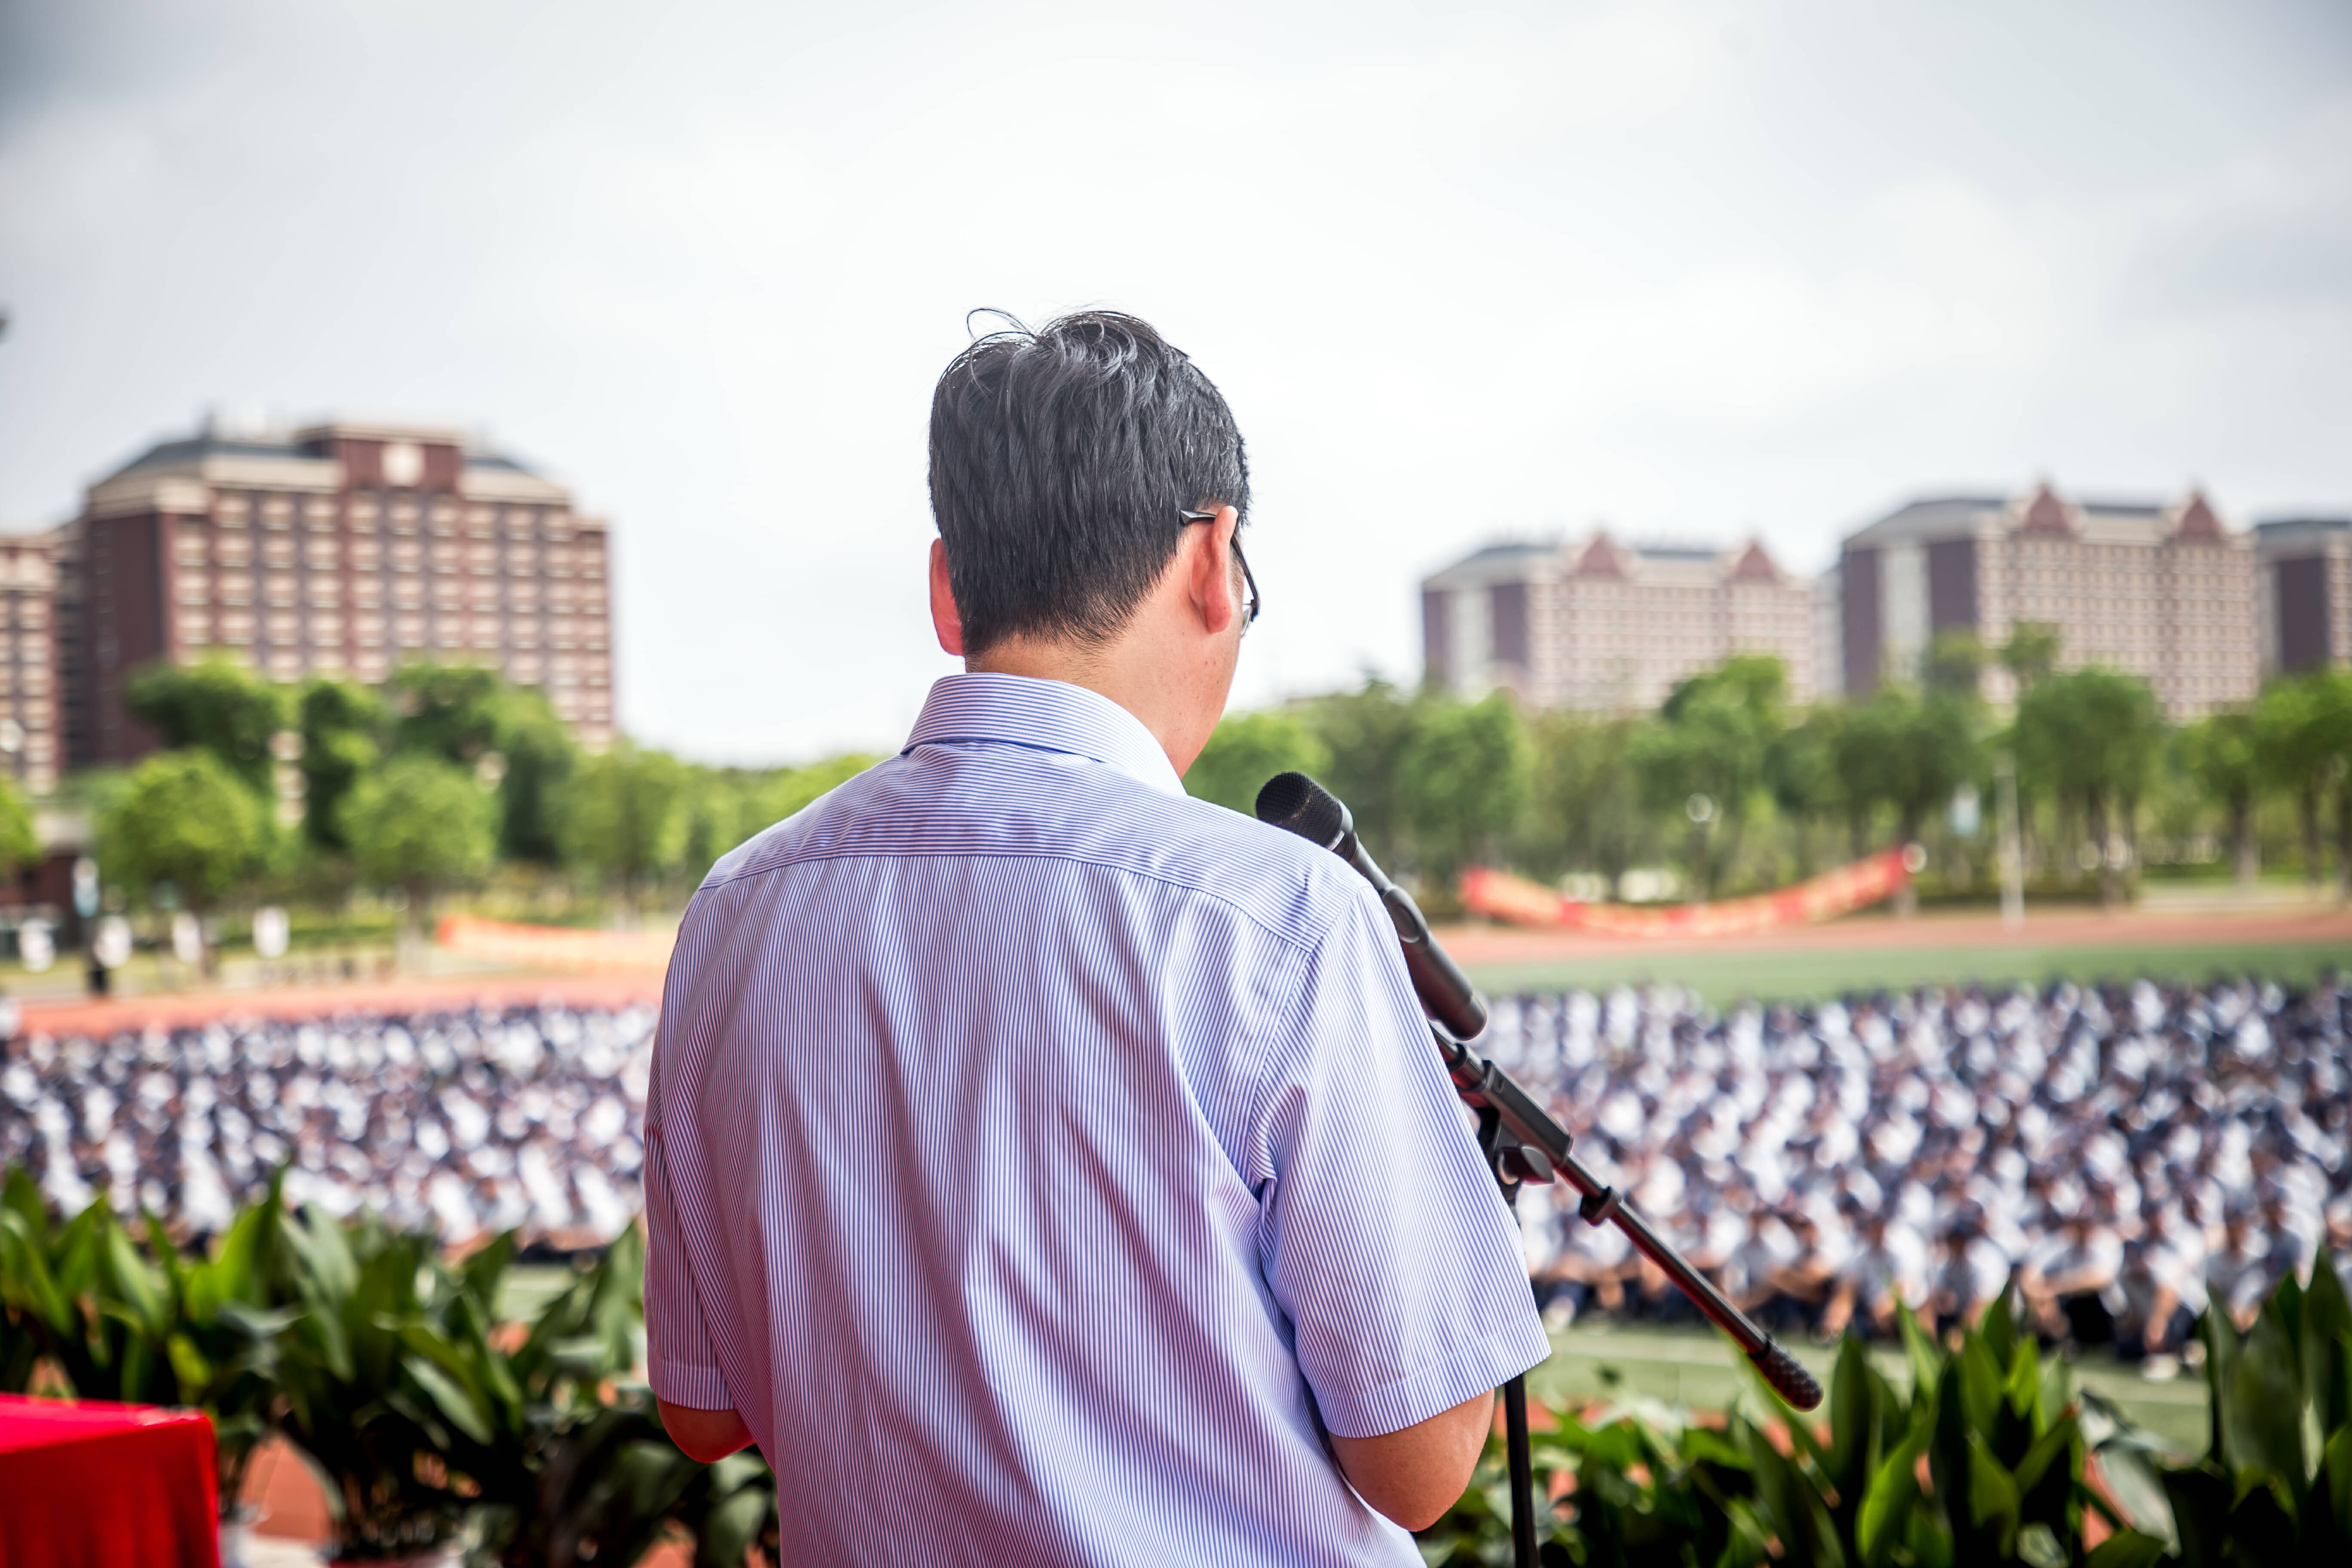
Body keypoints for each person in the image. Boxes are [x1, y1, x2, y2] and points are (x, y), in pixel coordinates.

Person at [642, 312, 1548, 1564]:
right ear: (1214, 558)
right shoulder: (1281, 918)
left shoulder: (738, 910)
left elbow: (701, 1415)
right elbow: (1423, 1467)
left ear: (948, 588)